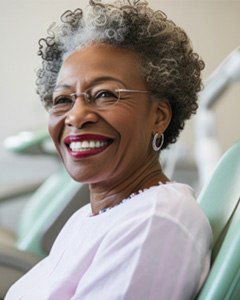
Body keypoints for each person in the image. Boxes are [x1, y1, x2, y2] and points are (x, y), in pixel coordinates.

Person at [5, 0, 212, 299]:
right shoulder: (86, 219)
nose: (75, 116)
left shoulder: (154, 223)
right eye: (63, 99)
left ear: (159, 116)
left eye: (104, 94)